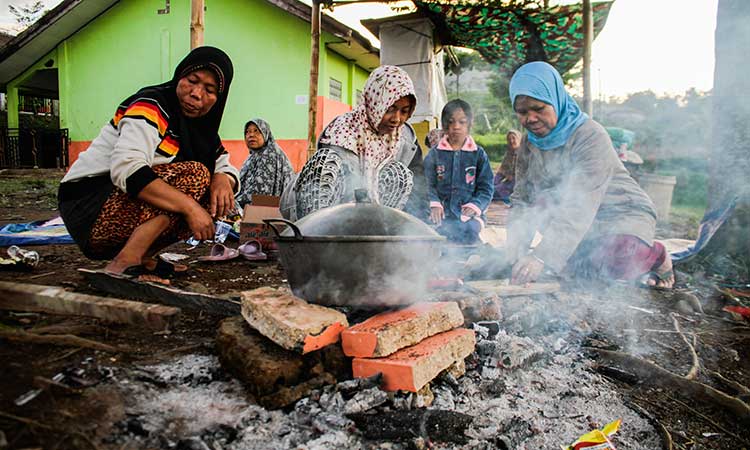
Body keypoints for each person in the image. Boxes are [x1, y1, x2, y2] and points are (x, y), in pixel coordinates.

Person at [57, 46, 238, 276]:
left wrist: (223, 177)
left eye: (210, 90)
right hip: (88, 207)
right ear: (180, 75)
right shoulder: (151, 105)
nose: (196, 94)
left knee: (212, 188)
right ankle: (125, 261)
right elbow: (126, 168)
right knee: (196, 175)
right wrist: (190, 207)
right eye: (192, 80)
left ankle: (144, 257)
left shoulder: (202, 131)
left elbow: (222, 161)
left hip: (119, 207)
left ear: (218, 99)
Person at [505, 61, 673, 289]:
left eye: (539, 108)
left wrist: (541, 257)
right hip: (580, 227)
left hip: (620, 214)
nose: (531, 118)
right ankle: (615, 267)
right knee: (578, 270)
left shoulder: (589, 135)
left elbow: (579, 203)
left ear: (556, 100)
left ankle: (657, 255)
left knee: (616, 258)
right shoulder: (528, 143)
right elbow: (522, 199)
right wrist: (515, 250)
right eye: (523, 112)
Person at [281, 65, 427, 221]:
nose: (396, 119)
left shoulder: (405, 139)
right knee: (325, 166)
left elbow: (418, 191)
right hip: (326, 215)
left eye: (404, 111)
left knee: (399, 174)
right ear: (375, 102)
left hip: (370, 219)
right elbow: (335, 189)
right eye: (390, 109)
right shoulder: (341, 135)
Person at [424, 99, 493, 244]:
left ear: (469, 124)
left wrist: (475, 206)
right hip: (442, 216)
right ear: (443, 125)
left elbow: (486, 187)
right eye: (451, 122)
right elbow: (426, 183)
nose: (456, 127)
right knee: (436, 240)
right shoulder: (435, 154)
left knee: (470, 237)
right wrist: (434, 203)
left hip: (468, 216)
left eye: (462, 122)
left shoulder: (478, 154)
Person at [235, 118, 294, 209]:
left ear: (265, 134)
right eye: (247, 132)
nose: (251, 135)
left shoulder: (270, 154)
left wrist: (235, 200)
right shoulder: (253, 156)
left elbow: (260, 194)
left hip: (271, 210)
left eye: (256, 131)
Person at [492, 129, 522, 203]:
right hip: (509, 183)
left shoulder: (524, 153)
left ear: (519, 139)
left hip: (520, 184)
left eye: (513, 138)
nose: (511, 141)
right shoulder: (508, 154)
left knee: (498, 192)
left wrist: (513, 178)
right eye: (509, 139)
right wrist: (491, 184)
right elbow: (502, 172)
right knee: (490, 190)